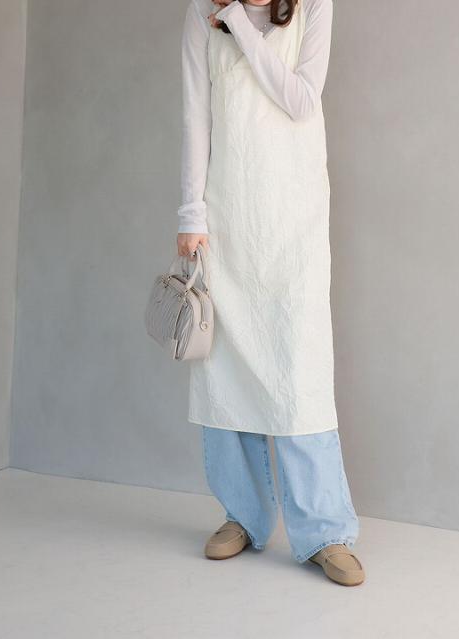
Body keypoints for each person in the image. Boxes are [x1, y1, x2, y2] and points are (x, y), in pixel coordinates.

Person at [176, 0, 365, 586]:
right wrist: (191, 213)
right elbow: (195, 113)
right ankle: (244, 516)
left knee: (300, 368)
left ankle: (324, 532)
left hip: (293, 215)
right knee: (225, 370)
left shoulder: (313, 6)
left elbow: (301, 100)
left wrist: (237, 23)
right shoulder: (200, 11)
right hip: (228, 215)